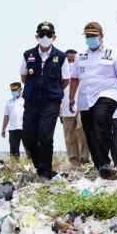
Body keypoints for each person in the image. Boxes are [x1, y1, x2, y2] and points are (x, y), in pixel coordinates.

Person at [69, 22, 117, 179]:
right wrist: (71, 98)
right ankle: (100, 166)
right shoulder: (80, 56)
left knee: (100, 122)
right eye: (88, 36)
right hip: (85, 100)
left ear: (101, 36)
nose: (91, 39)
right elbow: (75, 79)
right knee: (90, 132)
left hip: (107, 95)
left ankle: (105, 162)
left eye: (93, 36)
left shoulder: (113, 53)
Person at [20, 21, 70, 179]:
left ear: (54, 37)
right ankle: (39, 166)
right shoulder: (28, 54)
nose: (45, 37)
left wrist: (52, 90)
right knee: (28, 136)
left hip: (51, 102)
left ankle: (46, 171)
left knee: (45, 135)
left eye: (48, 34)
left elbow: (65, 80)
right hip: (32, 101)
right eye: (42, 34)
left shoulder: (61, 56)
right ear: (37, 36)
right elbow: (23, 76)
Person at [60, 49, 90, 167]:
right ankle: (74, 163)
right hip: (65, 107)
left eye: (73, 59)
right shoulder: (60, 71)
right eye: (69, 60)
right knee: (69, 136)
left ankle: (85, 158)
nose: (71, 62)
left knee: (83, 132)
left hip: (82, 105)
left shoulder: (83, 69)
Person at [1, 82, 26, 160]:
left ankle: (32, 164)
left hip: (25, 128)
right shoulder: (9, 102)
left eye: (15, 90)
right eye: (12, 90)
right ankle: (15, 165)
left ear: (20, 89)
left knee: (29, 148)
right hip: (13, 129)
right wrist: (3, 129)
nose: (13, 92)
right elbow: (6, 116)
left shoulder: (25, 100)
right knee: (14, 150)